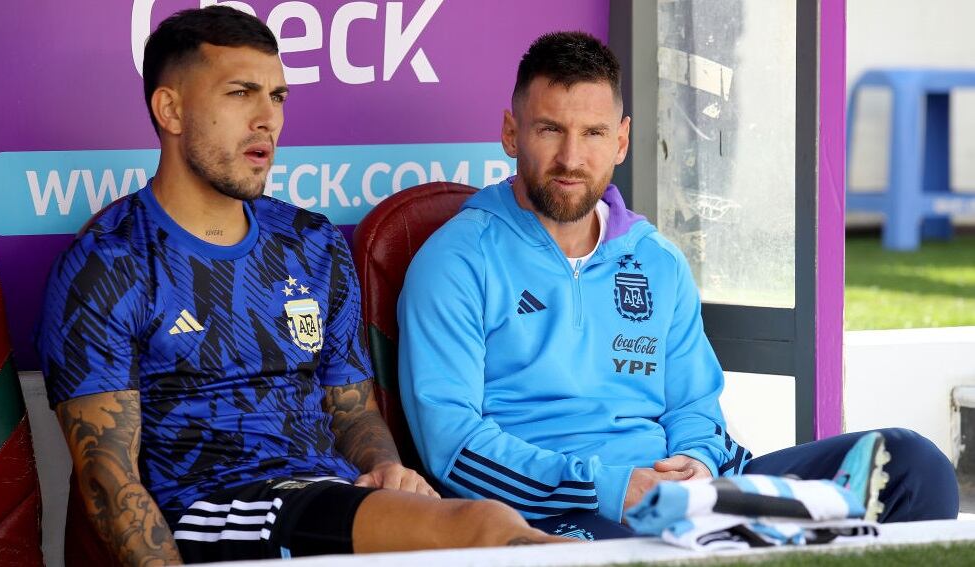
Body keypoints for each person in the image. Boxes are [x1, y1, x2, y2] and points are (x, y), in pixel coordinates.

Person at [35, 7, 562, 565]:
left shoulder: (311, 241)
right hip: (215, 509)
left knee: (486, 531)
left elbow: (352, 410)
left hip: (326, 497)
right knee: (482, 529)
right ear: (171, 110)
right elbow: (107, 482)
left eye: (278, 96)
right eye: (241, 93)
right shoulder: (109, 263)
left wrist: (384, 467)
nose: (268, 118)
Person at [397, 31, 959, 539]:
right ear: (511, 133)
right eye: (550, 130)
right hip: (558, 512)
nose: (571, 158)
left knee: (913, 465)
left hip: (686, 495)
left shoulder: (656, 260)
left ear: (621, 141)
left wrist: (699, 461)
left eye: (593, 133)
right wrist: (609, 487)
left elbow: (693, 404)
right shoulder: (456, 260)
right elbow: (454, 446)